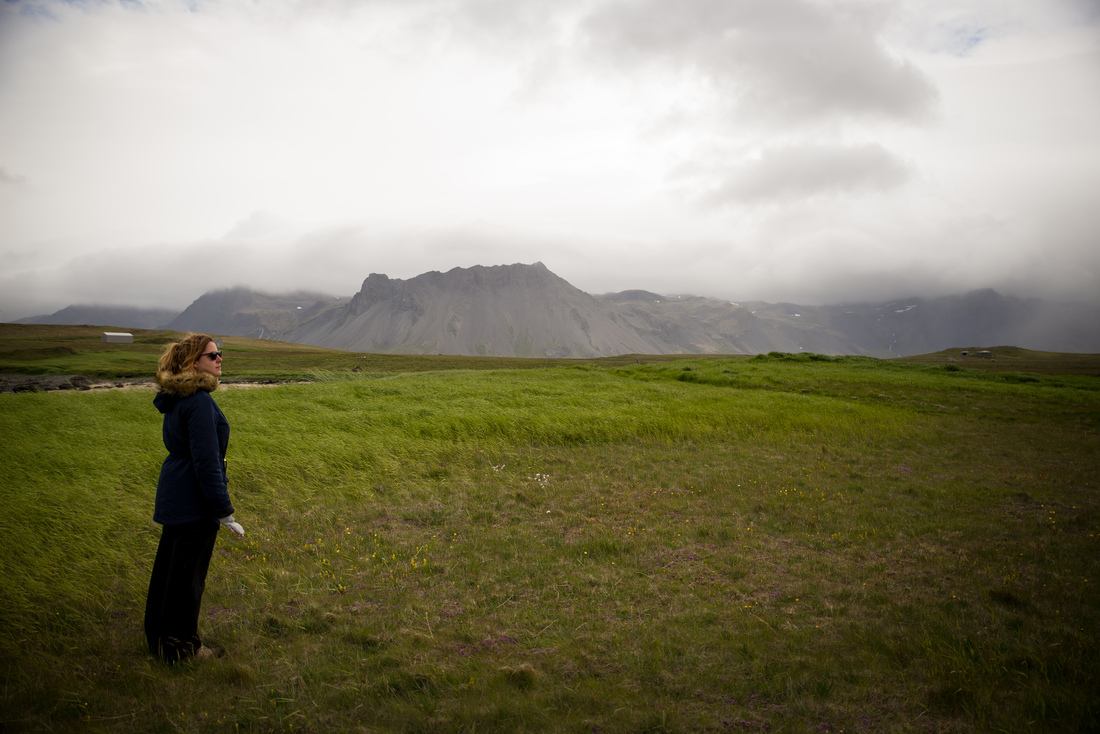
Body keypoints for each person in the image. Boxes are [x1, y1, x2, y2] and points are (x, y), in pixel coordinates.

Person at [144, 333, 245, 663]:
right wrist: (223, 510)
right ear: (193, 363)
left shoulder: (179, 396)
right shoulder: (198, 401)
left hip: (176, 492)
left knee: (169, 572)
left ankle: (159, 638)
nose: (220, 360)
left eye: (220, 354)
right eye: (212, 356)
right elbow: (206, 461)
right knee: (188, 577)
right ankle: (182, 648)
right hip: (193, 499)